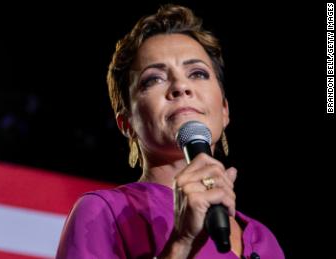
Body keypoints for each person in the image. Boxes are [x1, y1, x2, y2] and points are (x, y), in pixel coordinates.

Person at [56, 4, 284, 259]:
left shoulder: (265, 241)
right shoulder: (102, 213)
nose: (180, 85)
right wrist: (181, 243)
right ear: (126, 122)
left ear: (224, 110)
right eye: (153, 79)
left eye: (197, 73)